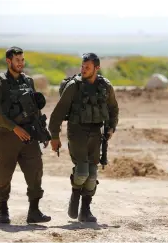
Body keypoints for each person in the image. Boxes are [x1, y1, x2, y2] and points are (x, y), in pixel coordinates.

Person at [48, 53, 119, 222]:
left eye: (87, 67)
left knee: (92, 175)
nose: (83, 70)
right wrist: (55, 136)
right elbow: (58, 113)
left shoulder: (105, 86)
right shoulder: (74, 86)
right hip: (77, 131)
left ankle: (85, 210)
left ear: (97, 68)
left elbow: (113, 109)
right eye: (82, 67)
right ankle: (75, 195)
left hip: (96, 132)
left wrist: (111, 128)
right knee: (82, 172)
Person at [0, 46, 51, 224]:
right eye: (17, 60)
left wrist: (43, 132)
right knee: (4, 173)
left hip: (29, 135)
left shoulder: (28, 81)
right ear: (8, 61)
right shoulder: (0, 83)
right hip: (8, 135)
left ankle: (34, 211)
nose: (21, 63)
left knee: (35, 171)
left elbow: (34, 109)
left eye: (22, 60)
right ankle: (3, 211)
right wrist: (14, 128)